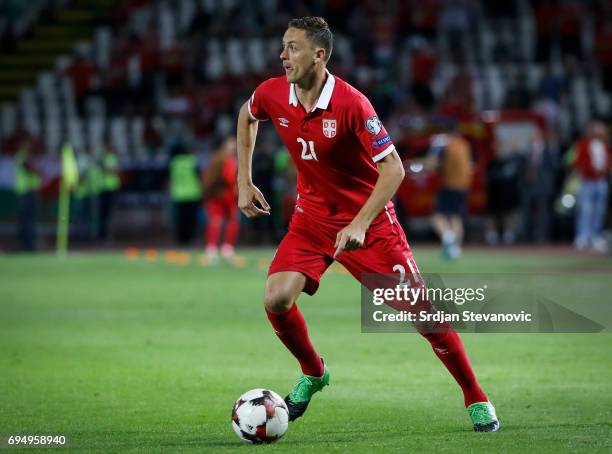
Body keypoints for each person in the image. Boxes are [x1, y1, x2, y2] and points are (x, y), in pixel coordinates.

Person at [236, 17, 499, 432]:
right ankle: (314, 371)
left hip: (371, 226)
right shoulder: (272, 93)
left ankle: (476, 396)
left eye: (293, 48)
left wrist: (359, 223)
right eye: (283, 46)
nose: (283, 55)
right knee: (276, 298)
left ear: (319, 55)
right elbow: (246, 115)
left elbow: (394, 169)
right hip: (311, 220)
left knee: (425, 317)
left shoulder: (352, 104)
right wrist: (244, 180)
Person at [427, 124, 472, 259]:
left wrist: (434, 148)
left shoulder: (445, 146)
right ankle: (456, 249)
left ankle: (448, 237)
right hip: (463, 185)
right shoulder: (464, 145)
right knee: (456, 217)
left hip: (448, 184)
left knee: (437, 217)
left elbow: (432, 163)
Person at [201, 137, 240, 263]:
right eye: (230, 148)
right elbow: (209, 179)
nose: (232, 150)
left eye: (234, 148)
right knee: (216, 221)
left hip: (229, 196)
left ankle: (227, 248)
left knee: (232, 220)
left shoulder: (234, 161)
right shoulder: (218, 160)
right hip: (218, 196)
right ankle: (211, 249)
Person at [573, 121, 611, 252]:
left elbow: (608, 161)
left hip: (601, 181)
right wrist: (591, 170)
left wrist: (605, 170)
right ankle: (583, 237)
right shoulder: (583, 144)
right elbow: (579, 162)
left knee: (599, 210)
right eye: (597, 129)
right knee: (586, 210)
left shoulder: (605, 145)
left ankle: (596, 236)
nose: (600, 132)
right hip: (588, 181)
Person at [169, 143, 202, 245]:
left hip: (178, 194)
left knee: (180, 219)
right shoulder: (192, 161)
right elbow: (198, 176)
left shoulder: (174, 162)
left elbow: (170, 178)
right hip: (192, 193)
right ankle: (191, 238)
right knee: (191, 219)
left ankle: (181, 239)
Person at [14, 139, 41, 251]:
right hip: (25, 192)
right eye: (28, 144)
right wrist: (37, 169)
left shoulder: (29, 157)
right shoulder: (22, 156)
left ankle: (29, 245)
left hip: (30, 192)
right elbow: (29, 168)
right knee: (26, 220)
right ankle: (25, 246)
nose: (30, 146)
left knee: (30, 220)